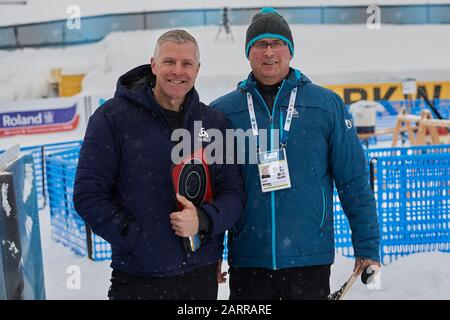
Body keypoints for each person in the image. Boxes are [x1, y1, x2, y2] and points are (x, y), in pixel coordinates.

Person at [211, 8, 381, 300]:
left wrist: (367, 247)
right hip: (250, 260)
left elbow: (353, 181)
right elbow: (213, 192)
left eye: (277, 43)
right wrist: (210, 254)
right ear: (248, 54)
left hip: (309, 260)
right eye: (260, 44)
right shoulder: (224, 111)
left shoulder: (326, 105)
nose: (269, 52)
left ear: (290, 51)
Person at [73, 29, 245, 300]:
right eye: (169, 62)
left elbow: (234, 194)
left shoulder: (213, 123)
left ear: (197, 70)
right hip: (138, 278)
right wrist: (136, 238)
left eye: (187, 63)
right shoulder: (113, 118)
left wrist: (202, 220)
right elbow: (88, 195)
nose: (178, 71)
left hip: (200, 278)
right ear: (154, 65)